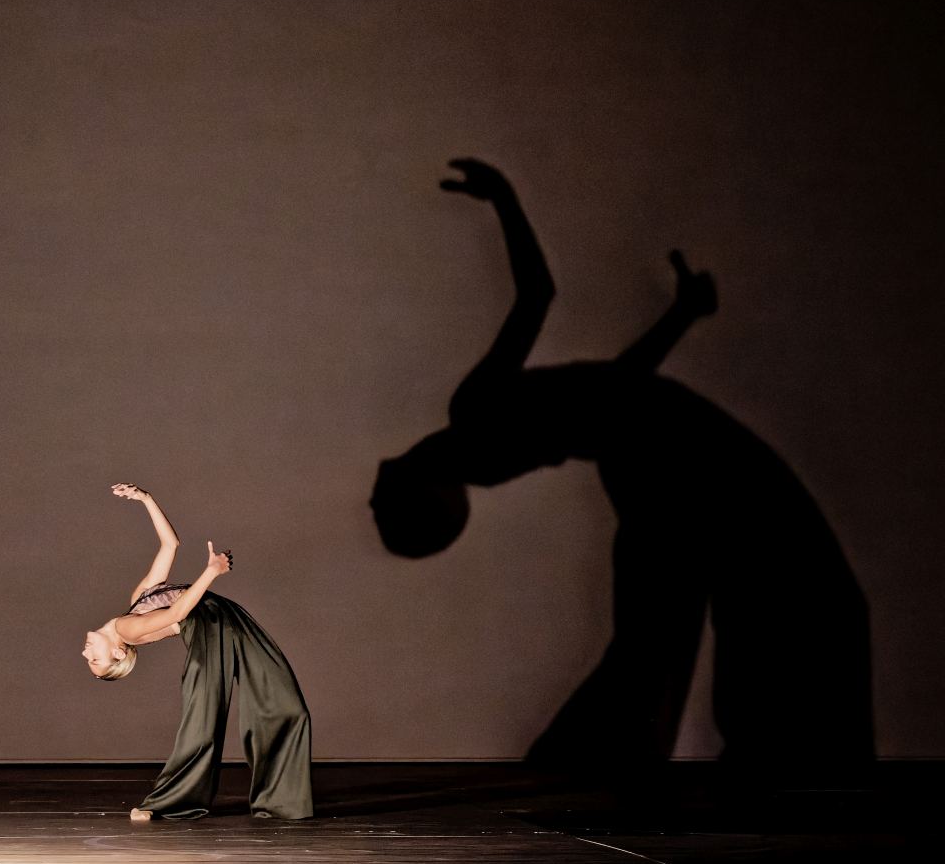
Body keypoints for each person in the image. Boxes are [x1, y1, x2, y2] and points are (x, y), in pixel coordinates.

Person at [371, 159, 873, 770]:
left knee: (666, 635)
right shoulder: (472, 417)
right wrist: (504, 196)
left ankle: (606, 765)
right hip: (668, 454)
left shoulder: (481, 431)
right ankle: (612, 765)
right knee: (677, 632)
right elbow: (550, 309)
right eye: (384, 497)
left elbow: (609, 384)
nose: (374, 480)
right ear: (424, 488)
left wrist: (680, 316)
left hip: (664, 455)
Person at [83, 484, 313, 820]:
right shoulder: (126, 629)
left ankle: (280, 798)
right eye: (96, 661)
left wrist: (146, 500)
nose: (87, 654)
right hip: (211, 625)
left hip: (224, 617)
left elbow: (170, 545)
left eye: (90, 660)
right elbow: (178, 614)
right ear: (118, 653)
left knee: (284, 702)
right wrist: (210, 572)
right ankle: (168, 800)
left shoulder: (136, 601)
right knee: (204, 713)